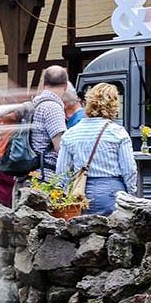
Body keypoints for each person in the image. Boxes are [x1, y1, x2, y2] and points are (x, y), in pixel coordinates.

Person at [56, 83, 138, 215]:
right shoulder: (117, 132)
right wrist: (131, 193)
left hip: (80, 192)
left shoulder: (71, 133)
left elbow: (62, 172)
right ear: (114, 106)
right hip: (112, 192)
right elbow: (129, 169)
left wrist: (63, 195)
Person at [30, 66, 70, 179]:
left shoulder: (35, 103)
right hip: (44, 175)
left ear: (44, 84)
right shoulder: (53, 108)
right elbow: (60, 147)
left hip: (28, 172)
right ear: (65, 86)